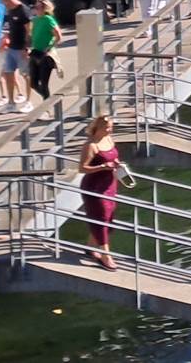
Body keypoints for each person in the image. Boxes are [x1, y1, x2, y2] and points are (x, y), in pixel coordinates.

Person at [77, 114, 122, 270]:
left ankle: (90, 246)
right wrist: (102, 167)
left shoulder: (109, 139)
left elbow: (113, 156)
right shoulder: (90, 145)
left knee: (109, 219)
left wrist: (117, 164)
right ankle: (105, 255)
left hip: (110, 184)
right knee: (101, 218)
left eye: (111, 127)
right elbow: (82, 168)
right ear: (98, 127)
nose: (110, 130)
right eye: (107, 127)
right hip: (94, 187)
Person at [0, 0, 33, 113]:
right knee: (8, 73)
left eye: (4, 2)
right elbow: (11, 28)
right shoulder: (10, 11)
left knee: (26, 75)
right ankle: (11, 103)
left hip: (21, 49)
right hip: (11, 48)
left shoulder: (23, 10)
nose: (4, 5)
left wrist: (27, 48)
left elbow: (29, 31)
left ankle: (28, 102)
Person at [28, 0, 62, 101]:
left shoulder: (48, 20)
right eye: (36, 7)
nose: (36, 9)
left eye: (39, 7)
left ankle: (46, 104)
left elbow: (58, 36)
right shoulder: (35, 20)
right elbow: (32, 36)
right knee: (33, 83)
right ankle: (49, 100)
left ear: (45, 8)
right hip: (35, 52)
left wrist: (50, 47)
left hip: (45, 55)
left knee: (44, 83)